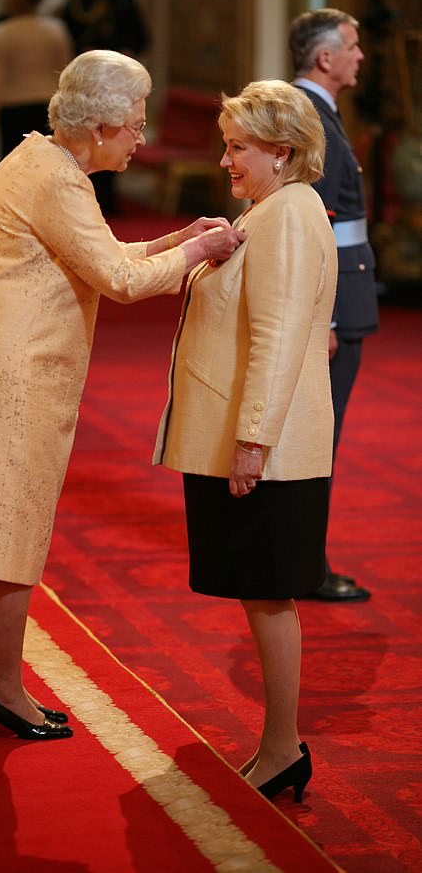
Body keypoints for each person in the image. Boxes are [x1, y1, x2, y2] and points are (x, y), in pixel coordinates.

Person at [0, 50, 245, 743]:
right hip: (8, 367)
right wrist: (200, 253)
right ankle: (0, 686)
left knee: (8, 524)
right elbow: (119, 279)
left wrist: (180, 238)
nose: (141, 140)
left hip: (5, 357)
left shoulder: (47, 163)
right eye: (135, 127)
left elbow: (102, 253)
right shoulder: (55, 179)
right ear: (99, 126)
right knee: (7, 527)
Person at [153, 80, 337, 801]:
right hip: (255, 438)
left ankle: (284, 746)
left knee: (268, 595)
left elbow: (278, 335)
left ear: (282, 151)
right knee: (262, 595)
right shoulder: (269, 208)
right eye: (226, 144)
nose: (225, 159)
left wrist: (253, 441)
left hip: (271, 447)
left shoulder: (286, 217)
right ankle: (278, 744)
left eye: (238, 147)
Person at [290, 8, 379, 602]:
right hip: (336, 305)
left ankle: (304, 560)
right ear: (326, 57)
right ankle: (306, 568)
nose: (360, 56)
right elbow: (314, 224)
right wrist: (321, 316)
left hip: (345, 296)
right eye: (352, 45)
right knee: (319, 440)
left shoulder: (314, 112)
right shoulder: (312, 116)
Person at [59, 0, 150, 214]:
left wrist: (128, 51)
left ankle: (107, 203)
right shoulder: (79, 0)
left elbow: (142, 36)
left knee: (115, 138)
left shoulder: (124, 0)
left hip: (119, 84)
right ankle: (82, 197)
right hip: (88, 84)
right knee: (89, 137)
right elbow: (66, 33)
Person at [0, 0, 73, 160]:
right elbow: (67, 76)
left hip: (14, 110)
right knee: (46, 165)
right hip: (47, 107)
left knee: (15, 168)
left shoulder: (0, 32)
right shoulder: (56, 30)